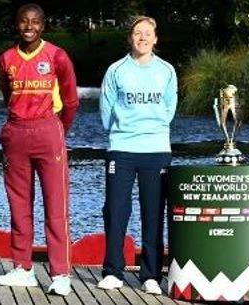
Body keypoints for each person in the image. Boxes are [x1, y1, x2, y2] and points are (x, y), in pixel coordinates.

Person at [0, 3, 80, 296]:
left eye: (35, 22)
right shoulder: (6, 58)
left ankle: (60, 273)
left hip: (48, 131)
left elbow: (70, 101)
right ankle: (22, 268)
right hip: (16, 132)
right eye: (23, 21)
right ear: (16, 24)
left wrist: (56, 130)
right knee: (19, 205)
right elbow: (7, 95)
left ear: (43, 26)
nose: (29, 26)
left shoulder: (57, 56)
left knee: (56, 206)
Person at [96, 16, 178, 295]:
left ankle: (151, 275)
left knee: (153, 212)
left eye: (148, 34)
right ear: (130, 38)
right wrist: (121, 133)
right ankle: (113, 271)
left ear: (156, 39)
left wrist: (151, 130)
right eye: (137, 33)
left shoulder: (166, 71)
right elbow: (106, 111)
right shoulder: (116, 70)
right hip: (122, 149)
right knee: (116, 210)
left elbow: (169, 109)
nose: (142, 38)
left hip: (156, 150)